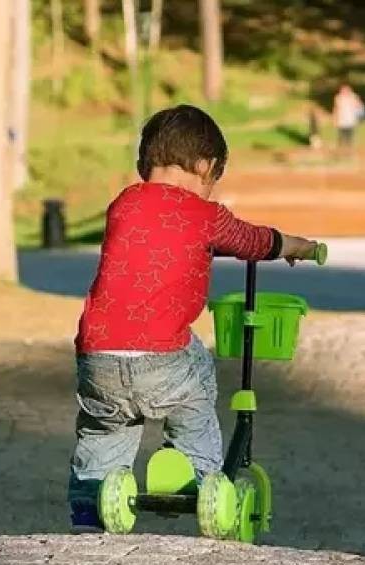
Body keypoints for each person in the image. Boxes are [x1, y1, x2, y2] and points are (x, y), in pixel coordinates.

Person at [67, 105, 321, 531]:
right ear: (206, 167)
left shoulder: (123, 204)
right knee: (196, 380)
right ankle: (200, 480)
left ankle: (90, 508)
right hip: (162, 359)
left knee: (104, 430)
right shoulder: (205, 215)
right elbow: (252, 240)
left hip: (98, 355)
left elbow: (158, 234)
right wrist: (297, 246)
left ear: (144, 163)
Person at [332, 84, 365, 150]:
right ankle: (341, 147)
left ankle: (349, 147)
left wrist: (359, 112)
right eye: (343, 90)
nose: (344, 92)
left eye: (346, 90)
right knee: (341, 133)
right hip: (342, 118)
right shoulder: (338, 98)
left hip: (351, 118)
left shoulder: (354, 96)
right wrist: (335, 118)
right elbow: (336, 108)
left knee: (350, 133)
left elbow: (360, 105)